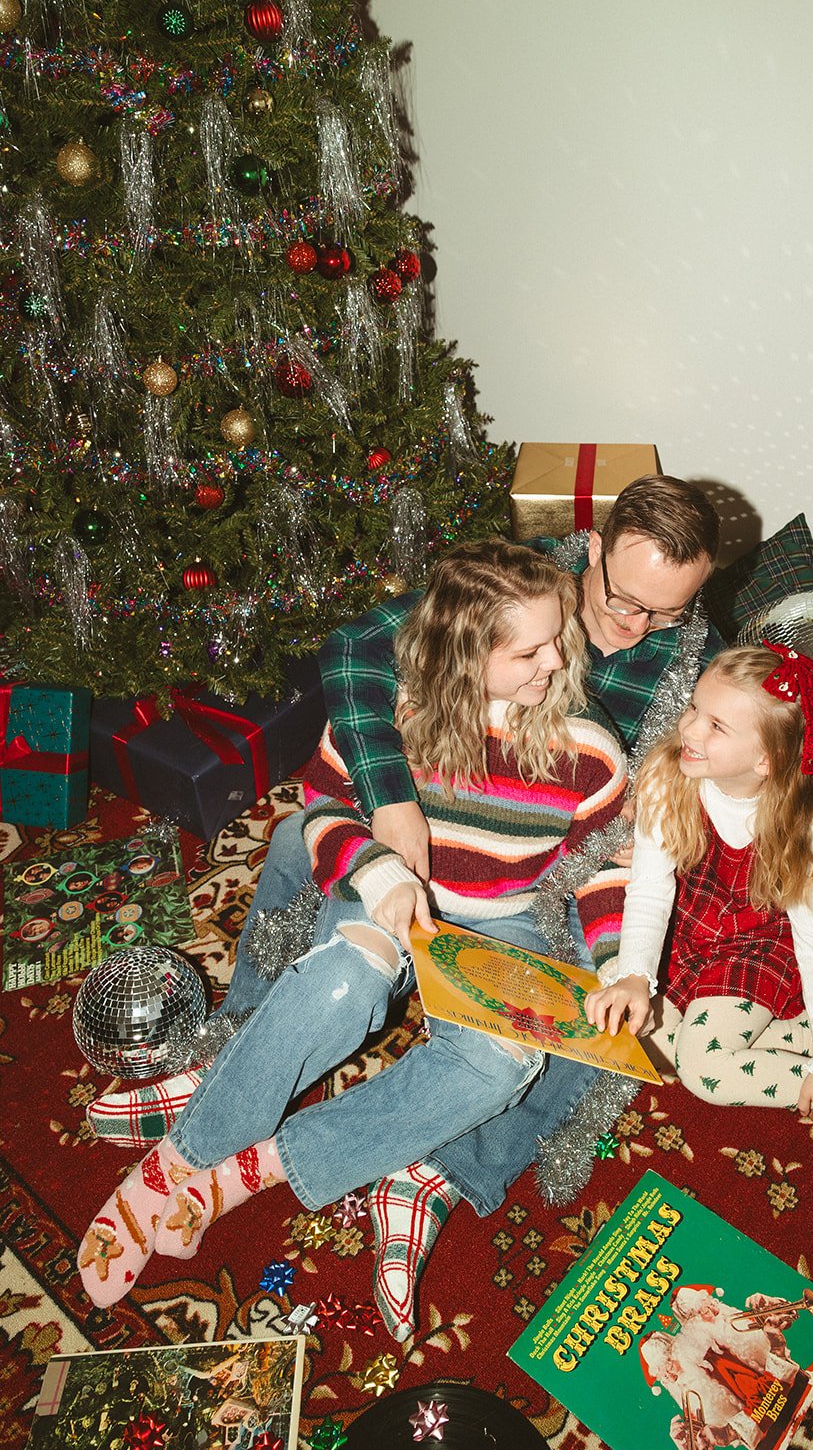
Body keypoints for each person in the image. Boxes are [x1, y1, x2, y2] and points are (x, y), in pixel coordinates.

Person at [93, 474, 724, 1331]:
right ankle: (185, 1153)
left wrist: (620, 964)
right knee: (343, 982)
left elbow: (612, 868)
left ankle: (251, 1168)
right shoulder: (419, 689)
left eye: (666, 614)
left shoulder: (591, 747)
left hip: (505, 911)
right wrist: (382, 870)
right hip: (390, 878)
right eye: (542, 649)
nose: (579, 657)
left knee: (507, 1062)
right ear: (590, 555)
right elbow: (321, 805)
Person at [585, 643, 813, 1191]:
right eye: (694, 708)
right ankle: (808, 1037)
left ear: (766, 759)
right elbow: (648, 892)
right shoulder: (667, 779)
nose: (689, 730)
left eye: (716, 726)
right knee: (642, 1035)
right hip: (692, 936)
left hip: (758, 949)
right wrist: (636, 977)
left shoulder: (795, 827)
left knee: (706, 1072)